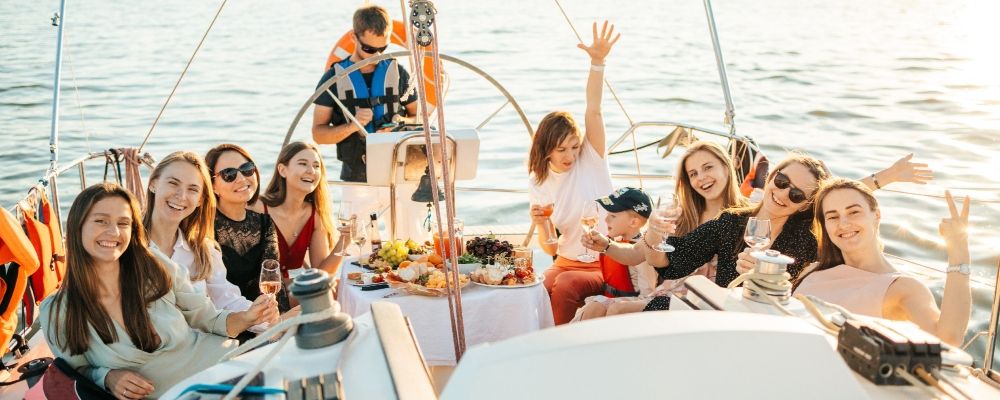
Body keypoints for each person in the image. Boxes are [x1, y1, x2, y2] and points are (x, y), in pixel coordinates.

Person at [39, 183, 277, 399]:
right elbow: (76, 372)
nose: (113, 232)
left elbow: (207, 319)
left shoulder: (154, 266)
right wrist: (108, 377)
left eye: (123, 223)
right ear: (77, 226)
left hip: (226, 366)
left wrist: (247, 318)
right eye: (101, 221)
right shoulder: (58, 310)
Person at [793, 179, 971, 346]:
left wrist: (959, 250)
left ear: (876, 215)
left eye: (854, 212)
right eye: (833, 217)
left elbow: (947, 340)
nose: (844, 223)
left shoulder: (901, 287)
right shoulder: (813, 270)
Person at [583, 141, 748, 312]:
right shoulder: (682, 216)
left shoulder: (746, 217)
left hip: (701, 303)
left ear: (726, 166)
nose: (701, 177)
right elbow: (635, 253)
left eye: (707, 168)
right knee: (594, 309)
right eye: (693, 174)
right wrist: (605, 245)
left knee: (617, 310)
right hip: (668, 295)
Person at [527, 21, 619, 325]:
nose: (570, 155)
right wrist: (540, 225)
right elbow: (550, 247)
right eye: (561, 149)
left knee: (564, 287)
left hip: (604, 261)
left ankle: (559, 354)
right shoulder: (538, 181)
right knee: (536, 287)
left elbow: (594, 110)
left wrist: (597, 62)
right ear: (546, 150)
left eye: (573, 146)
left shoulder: (590, 158)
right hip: (565, 260)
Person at [311, 4, 423, 240]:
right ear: (354, 37)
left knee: (409, 241)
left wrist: (399, 122)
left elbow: (418, 117)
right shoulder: (333, 78)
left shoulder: (398, 73)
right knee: (357, 248)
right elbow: (318, 135)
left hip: (399, 173)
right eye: (369, 48)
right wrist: (352, 126)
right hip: (356, 177)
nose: (376, 54)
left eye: (382, 48)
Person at [144, 151, 269, 324]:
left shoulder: (204, 250)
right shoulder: (126, 244)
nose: (181, 196)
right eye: (173, 183)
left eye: (193, 189)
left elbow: (226, 301)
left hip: (201, 343)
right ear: (153, 184)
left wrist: (267, 318)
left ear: (200, 200)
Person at [205, 144, 291, 312]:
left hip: (264, 318)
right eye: (229, 174)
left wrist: (278, 324)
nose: (241, 178)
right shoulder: (204, 225)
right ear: (213, 186)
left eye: (246, 169)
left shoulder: (265, 223)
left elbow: (273, 278)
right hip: (222, 321)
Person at [260, 142, 347, 277]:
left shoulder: (314, 215)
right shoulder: (258, 208)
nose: (311, 171)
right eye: (302, 163)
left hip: (289, 290)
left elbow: (321, 273)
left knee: (337, 286)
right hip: (257, 291)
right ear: (282, 170)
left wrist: (344, 242)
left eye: (316, 166)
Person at [574, 187, 656, 321]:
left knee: (597, 305)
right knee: (595, 306)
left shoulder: (643, 253)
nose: (606, 220)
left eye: (613, 216)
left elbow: (648, 296)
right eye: (607, 214)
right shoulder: (612, 242)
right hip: (611, 300)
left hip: (629, 310)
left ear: (634, 222)